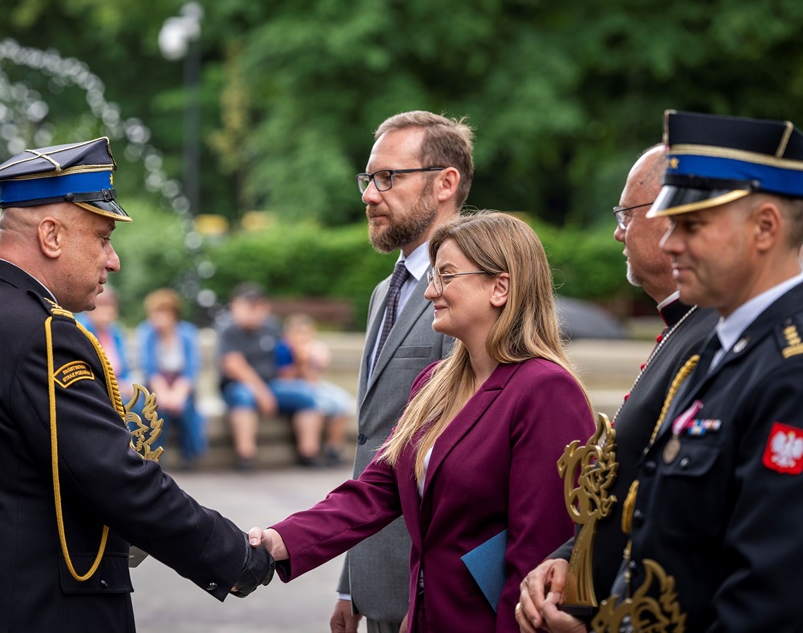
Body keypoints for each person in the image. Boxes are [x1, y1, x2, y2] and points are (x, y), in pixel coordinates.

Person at [0, 138, 273, 632]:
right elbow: (117, 480)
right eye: (102, 238)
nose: (112, 260)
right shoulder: (44, 335)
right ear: (51, 235)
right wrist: (232, 553)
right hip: (38, 613)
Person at [249, 211, 597, 632]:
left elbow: (537, 557)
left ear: (500, 287)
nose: (431, 291)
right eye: (433, 276)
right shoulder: (433, 383)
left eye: (446, 276)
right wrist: (280, 541)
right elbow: (376, 491)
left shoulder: (546, 390)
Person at [551, 110, 803, 632]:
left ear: (765, 227)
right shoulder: (725, 345)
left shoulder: (789, 370)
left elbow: (768, 600)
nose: (669, 243)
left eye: (692, 225)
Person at [516, 145, 717, 632]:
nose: (617, 231)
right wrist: (568, 558)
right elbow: (622, 488)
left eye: (626, 214)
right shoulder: (687, 324)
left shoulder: (713, 333)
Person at [332, 110, 473, 633]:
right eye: (369, 179)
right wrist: (351, 580)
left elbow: (461, 462)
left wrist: (432, 592)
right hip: (378, 580)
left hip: (432, 592)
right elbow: (373, 445)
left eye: (389, 177)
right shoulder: (383, 292)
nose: (370, 195)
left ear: (445, 183)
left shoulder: (470, 291)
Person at [217, 282, 324, 470]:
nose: (253, 312)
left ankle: (308, 453)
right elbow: (234, 366)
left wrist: (310, 358)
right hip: (240, 385)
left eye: (257, 306)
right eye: (248, 306)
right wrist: (262, 393)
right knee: (244, 396)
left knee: (306, 396)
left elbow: (287, 357)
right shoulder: (229, 330)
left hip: (273, 384)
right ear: (235, 306)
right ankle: (246, 456)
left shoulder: (271, 326)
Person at [135, 288, 207, 470]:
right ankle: (156, 456)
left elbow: (191, 370)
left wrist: (178, 395)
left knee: (186, 409)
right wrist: (164, 395)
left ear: (173, 314)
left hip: (181, 387)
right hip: (155, 389)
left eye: (162, 313)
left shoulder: (187, 333)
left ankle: (190, 455)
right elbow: (149, 369)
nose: (157, 318)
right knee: (157, 411)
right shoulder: (147, 333)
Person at [276, 312, 353, 465]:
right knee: (317, 404)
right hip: (295, 386)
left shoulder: (316, 348)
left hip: (314, 384)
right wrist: (300, 360)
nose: (301, 337)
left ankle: (333, 449)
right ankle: (309, 451)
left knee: (343, 402)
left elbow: (315, 376)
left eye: (305, 333)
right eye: (297, 333)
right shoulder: (283, 349)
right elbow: (286, 378)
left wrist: (311, 360)